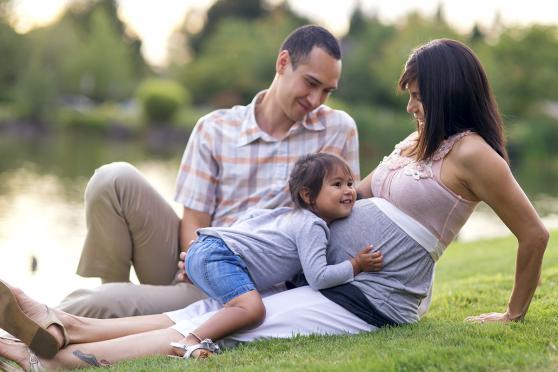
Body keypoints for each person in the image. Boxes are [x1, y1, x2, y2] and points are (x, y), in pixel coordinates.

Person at [0, 38, 548, 370]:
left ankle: (50, 359)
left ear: (447, 90)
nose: (409, 106)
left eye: (416, 94)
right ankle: (60, 323)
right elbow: (362, 195)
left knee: (221, 324)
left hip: (369, 298)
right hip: (318, 275)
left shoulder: (473, 153)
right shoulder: (414, 144)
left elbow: (534, 233)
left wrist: (513, 312)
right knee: (200, 313)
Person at [57, 24, 365, 318]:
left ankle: (72, 319)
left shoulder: (337, 130)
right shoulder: (214, 128)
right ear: (283, 62)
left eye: (327, 91)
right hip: (199, 258)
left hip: (246, 282)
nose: (316, 100)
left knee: (91, 304)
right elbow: (194, 218)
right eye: (311, 83)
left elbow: (342, 218)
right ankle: (110, 311)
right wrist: (198, 263)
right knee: (112, 179)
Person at [176, 153, 378, 358]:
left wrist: (200, 260)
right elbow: (319, 277)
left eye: (350, 183)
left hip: (206, 246)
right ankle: (191, 340)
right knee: (252, 309)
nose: (349, 191)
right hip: (219, 255)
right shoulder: (312, 225)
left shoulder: (286, 215)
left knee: (242, 303)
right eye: (337, 184)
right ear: (308, 196)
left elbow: (250, 216)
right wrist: (355, 265)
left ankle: (193, 335)